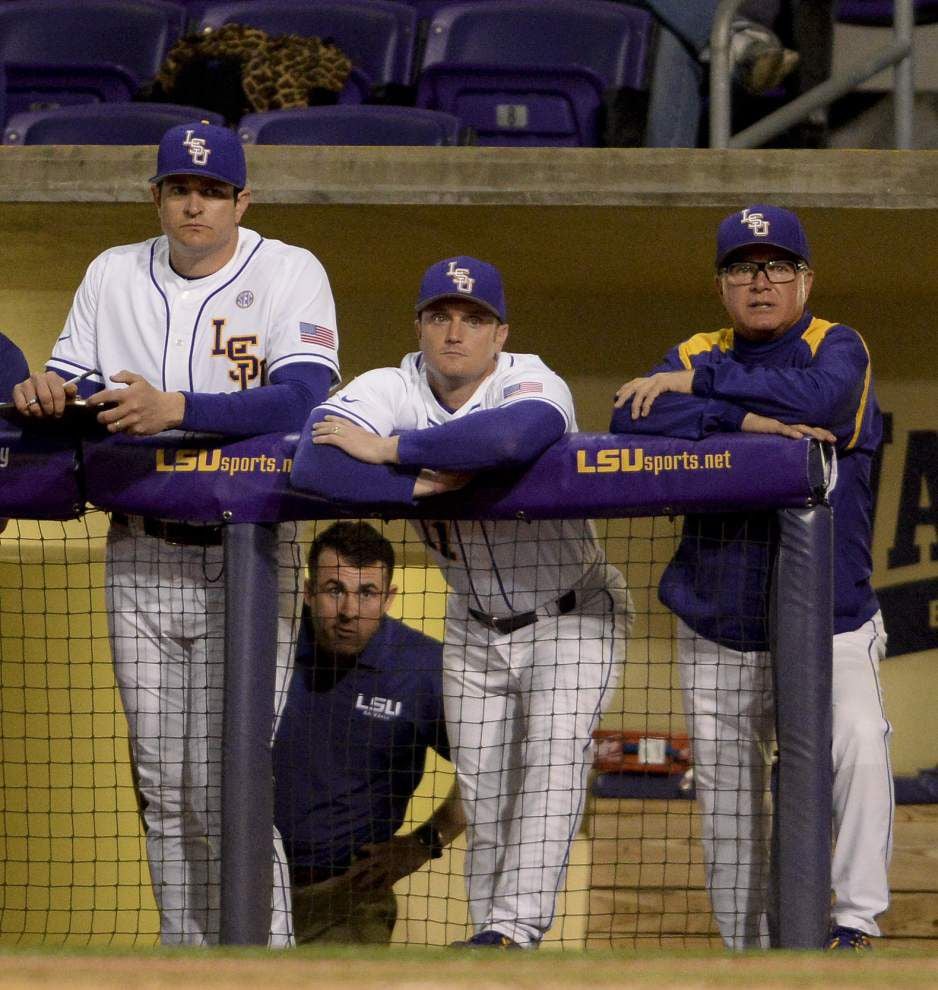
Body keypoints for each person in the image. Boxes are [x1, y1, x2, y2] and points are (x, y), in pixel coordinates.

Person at [12, 120, 340, 945]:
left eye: (213, 191)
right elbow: (81, 376)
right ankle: (185, 962)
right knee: (162, 781)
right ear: (155, 195)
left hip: (252, 554)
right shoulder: (111, 272)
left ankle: (263, 963)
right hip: (140, 546)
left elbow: (304, 397)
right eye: (179, 189)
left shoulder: (290, 270)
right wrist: (52, 392)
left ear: (242, 201)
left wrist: (179, 410)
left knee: (225, 781)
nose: (195, 204)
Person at [293, 256, 633, 949]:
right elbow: (313, 460)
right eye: (440, 315)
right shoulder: (389, 384)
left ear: (500, 333)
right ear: (418, 325)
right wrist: (414, 487)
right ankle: (492, 936)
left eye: (474, 319)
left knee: (554, 757)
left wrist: (389, 451)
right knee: (485, 789)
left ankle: (514, 930)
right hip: (473, 619)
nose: (455, 332)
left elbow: (512, 437)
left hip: (571, 611)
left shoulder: (529, 377)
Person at [611, 205, 891, 951]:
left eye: (776, 267)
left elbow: (824, 402)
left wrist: (699, 387)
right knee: (729, 805)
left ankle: (856, 921)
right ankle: (748, 955)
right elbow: (632, 416)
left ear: (806, 280)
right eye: (742, 268)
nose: (760, 281)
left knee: (860, 745)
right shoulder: (697, 345)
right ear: (720, 285)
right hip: (721, 626)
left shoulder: (838, 344)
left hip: (830, 619)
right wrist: (753, 427)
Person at [273, 520, 465, 945]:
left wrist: (423, 842)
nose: (348, 610)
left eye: (366, 593)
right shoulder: (270, 643)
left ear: (389, 598)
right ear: (308, 591)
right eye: (334, 589)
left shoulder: (421, 669)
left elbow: (491, 769)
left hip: (347, 901)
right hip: (243, 891)